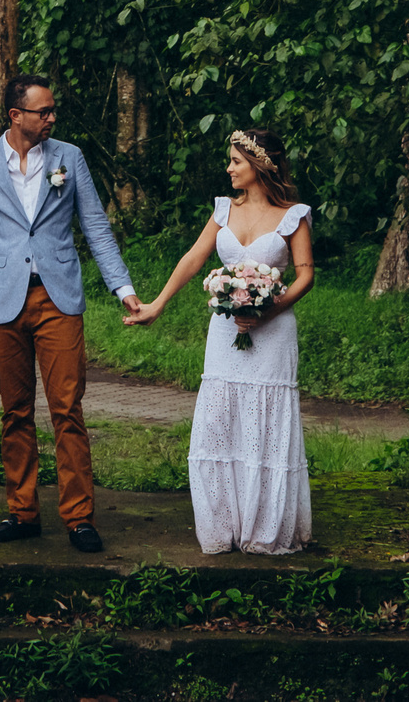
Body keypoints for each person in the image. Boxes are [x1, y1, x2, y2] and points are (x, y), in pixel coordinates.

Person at [0, 75, 140, 553]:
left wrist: (124, 288)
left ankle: (79, 519)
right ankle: (22, 512)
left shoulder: (69, 158)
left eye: (53, 111)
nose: (52, 118)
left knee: (67, 410)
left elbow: (95, 225)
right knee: (15, 412)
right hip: (1, 302)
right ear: (16, 116)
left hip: (58, 300)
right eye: (43, 111)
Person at [124, 127, 315, 555]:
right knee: (220, 420)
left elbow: (305, 274)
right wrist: (156, 304)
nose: (228, 169)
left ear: (260, 165)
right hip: (226, 330)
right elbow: (194, 258)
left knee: (265, 423)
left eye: (236, 162)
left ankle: (264, 530)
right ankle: (224, 525)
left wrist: (270, 308)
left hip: (273, 331)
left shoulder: (293, 215)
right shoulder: (223, 210)